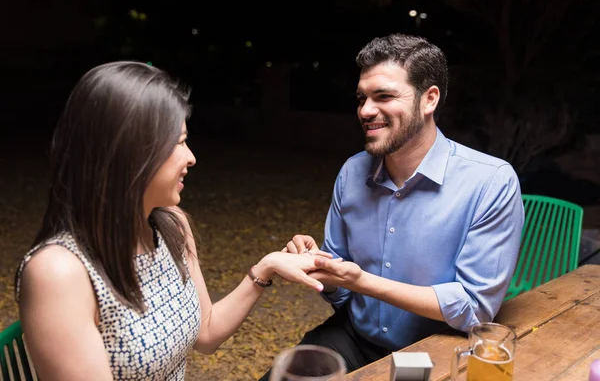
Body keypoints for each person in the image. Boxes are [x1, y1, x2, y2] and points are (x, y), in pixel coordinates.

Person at [14, 61, 331, 381]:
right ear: (128, 152)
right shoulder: (59, 273)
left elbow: (206, 334)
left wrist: (267, 267)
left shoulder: (171, 227)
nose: (191, 157)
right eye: (179, 142)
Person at [260, 33, 525, 378]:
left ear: (429, 99)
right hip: (353, 337)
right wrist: (321, 267)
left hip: (439, 347)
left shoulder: (491, 182)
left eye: (383, 96)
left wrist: (362, 281)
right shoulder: (353, 171)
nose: (366, 111)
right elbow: (340, 290)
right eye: (362, 98)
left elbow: (475, 310)